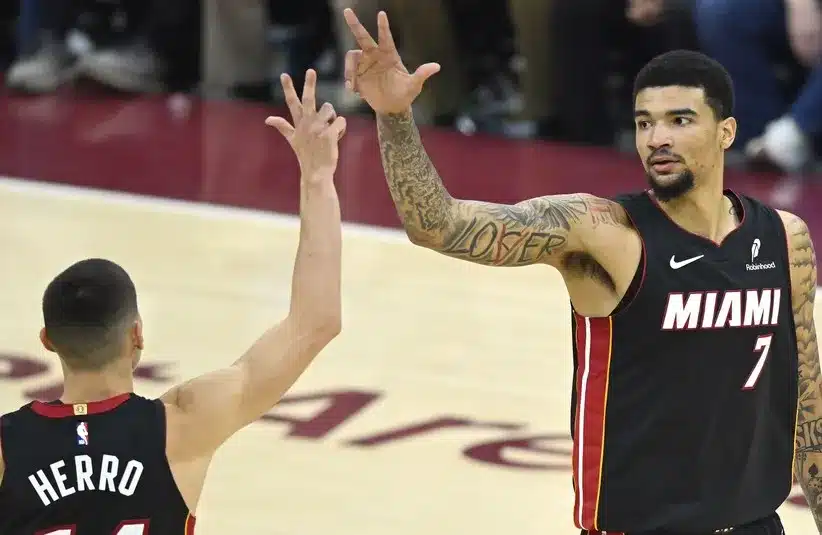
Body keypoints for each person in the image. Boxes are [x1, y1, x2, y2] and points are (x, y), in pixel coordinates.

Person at [342, 9, 820, 534]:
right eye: (644, 123)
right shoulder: (601, 232)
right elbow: (439, 225)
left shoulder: (784, 238)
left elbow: (808, 404)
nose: (657, 138)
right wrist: (395, 117)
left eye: (679, 121)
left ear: (726, 132)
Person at [0, 68, 346, 534]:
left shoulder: (7, 447)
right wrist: (318, 178)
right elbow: (317, 321)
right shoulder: (183, 424)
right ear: (136, 335)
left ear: (47, 340)